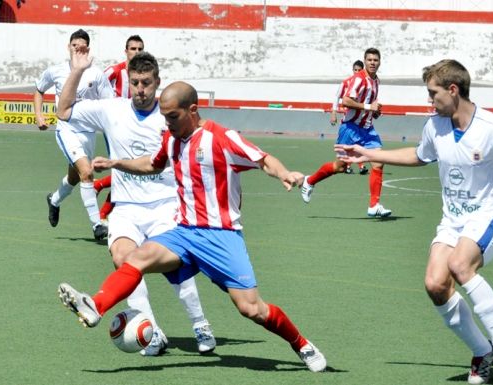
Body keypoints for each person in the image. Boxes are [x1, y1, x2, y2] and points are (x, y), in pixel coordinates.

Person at [56, 50, 326, 372]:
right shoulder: (172, 139)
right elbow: (151, 165)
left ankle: (301, 344)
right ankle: (95, 305)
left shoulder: (222, 138)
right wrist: (116, 163)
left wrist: (285, 174)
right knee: (135, 258)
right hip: (184, 233)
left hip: (221, 237)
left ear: (192, 111)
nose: (166, 123)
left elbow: (263, 158)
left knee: (252, 309)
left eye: (172, 117)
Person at [336, 59, 493, 385]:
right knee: (435, 284)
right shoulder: (435, 125)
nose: (429, 100)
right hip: (453, 221)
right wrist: (368, 154)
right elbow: (420, 156)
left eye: (433, 93)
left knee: (461, 265)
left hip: (492, 216)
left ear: (453, 90)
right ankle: (482, 352)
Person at [55, 50, 216, 356]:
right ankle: (152, 333)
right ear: (128, 82)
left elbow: (203, 141)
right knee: (124, 260)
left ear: (158, 82)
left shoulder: (171, 116)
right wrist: (76, 71)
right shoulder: (112, 109)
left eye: (146, 83)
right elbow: (63, 112)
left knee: (175, 269)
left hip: (167, 205)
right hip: (126, 208)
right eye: (135, 82)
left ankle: (200, 324)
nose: (140, 89)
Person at [35, 29, 113, 240]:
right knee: (87, 172)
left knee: (75, 177)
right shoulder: (56, 71)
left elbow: (110, 104)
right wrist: (39, 115)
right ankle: (97, 225)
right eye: (74, 46)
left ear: (88, 49)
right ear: (68, 47)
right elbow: (39, 89)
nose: (78, 49)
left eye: (82, 46)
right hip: (67, 129)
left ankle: (54, 200)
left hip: (88, 133)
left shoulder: (96, 74)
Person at [302, 47, 391, 218]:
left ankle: (374, 205)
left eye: (376, 60)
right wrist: (367, 107)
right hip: (350, 129)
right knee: (341, 166)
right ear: (365, 61)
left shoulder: (376, 81)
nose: (373, 63)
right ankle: (310, 180)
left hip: (367, 129)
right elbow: (346, 100)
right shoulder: (358, 79)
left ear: (379, 62)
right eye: (370, 60)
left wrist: (375, 111)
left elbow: (370, 104)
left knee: (379, 162)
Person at [93, 35, 147, 222]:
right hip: (115, 126)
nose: (137, 52)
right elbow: (94, 83)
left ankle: (99, 187)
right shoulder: (115, 71)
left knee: (133, 169)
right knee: (127, 170)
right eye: (133, 49)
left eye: (140, 49)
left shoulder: (145, 74)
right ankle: (103, 213)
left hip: (135, 126)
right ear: (126, 51)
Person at [330, 60, 368, 175]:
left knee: (358, 144)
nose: (357, 72)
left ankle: (358, 166)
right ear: (353, 70)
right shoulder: (346, 82)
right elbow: (337, 97)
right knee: (349, 145)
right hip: (349, 120)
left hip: (361, 120)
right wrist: (333, 113)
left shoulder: (366, 83)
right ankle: (350, 165)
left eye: (359, 70)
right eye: (355, 70)